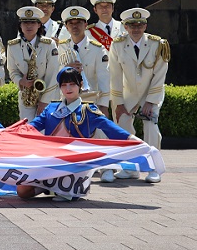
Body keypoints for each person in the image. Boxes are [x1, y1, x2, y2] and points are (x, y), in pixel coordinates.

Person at [17, 67, 136, 201]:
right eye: (64, 85)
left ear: (80, 85)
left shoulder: (88, 110)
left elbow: (111, 128)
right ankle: (50, 187)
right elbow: (32, 126)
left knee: (65, 195)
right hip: (52, 162)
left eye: (72, 84)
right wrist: (12, 133)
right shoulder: (51, 109)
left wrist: (133, 140)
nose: (68, 88)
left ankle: (65, 189)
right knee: (22, 190)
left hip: (75, 165)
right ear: (60, 87)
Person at [109, 7, 169, 183]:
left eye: (140, 25)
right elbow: (115, 75)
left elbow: (160, 75)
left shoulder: (157, 44)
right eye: (131, 25)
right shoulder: (117, 44)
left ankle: (153, 168)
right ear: (125, 27)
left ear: (145, 26)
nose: (136, 29)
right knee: (122, 126)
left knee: (151, 127)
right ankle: (129, 168)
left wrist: (151, 102)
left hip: (150, 92)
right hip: (128, 93)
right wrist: (118, 103)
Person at [6, 6, 60, 122]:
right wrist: (21, 81)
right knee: (28, 131)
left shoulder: (49, 44)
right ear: (20, 26)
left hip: (48, 95)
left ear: (39, 24)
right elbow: (12, 71)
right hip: (26, 96)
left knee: (47, 132)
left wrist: (44, 101)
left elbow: (53, 73)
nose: (29, 26)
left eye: (32, 22)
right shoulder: (12, 46)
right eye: (25, 23)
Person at [58, 6, 110, 116]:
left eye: (78, 23)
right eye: (71, 23)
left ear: (85, 25)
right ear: (66, 27)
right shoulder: (61, 47)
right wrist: (66, 69)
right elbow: (54, 76)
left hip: (90, 100)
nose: (74, 26)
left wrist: (104, 105)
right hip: (66, 100)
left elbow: (104, 79)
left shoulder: (97, 48)